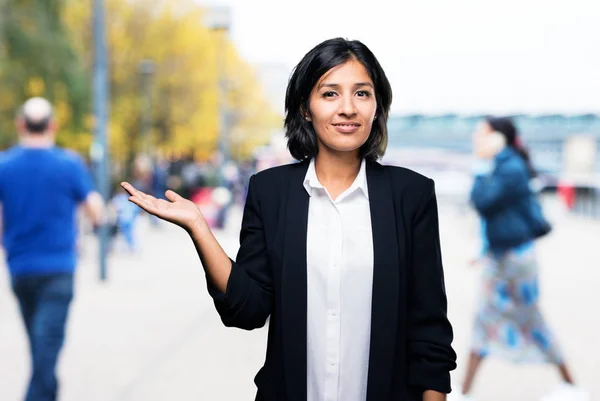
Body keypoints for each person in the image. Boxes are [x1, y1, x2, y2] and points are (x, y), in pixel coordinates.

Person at [122, 38, 457, 401]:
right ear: (305, 108)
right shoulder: (270, 192)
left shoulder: (411, 195)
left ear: (377, 106)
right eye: (330, 94)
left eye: (362, 94)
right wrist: (199, 228)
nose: (348, 108)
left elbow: (429, 331)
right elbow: (247, 310)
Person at [450, 117, 588, 401]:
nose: (476, 139)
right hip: (502, 257)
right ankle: (464, 392)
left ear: (498, 138)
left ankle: (571, 385)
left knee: (529, 319)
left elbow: (484, 202)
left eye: (481, 134)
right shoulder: (502, 165)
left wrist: (479, 168)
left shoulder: (509, 167)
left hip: (514, 261)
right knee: (488, 320)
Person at [0, 97, 104, 401]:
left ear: (21, 125)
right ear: (53, 126)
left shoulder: (4, 165)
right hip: (58, 269)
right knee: (45, 354)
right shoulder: (69, 164)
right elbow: (96, 209)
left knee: (40, 349)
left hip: (20, 269)